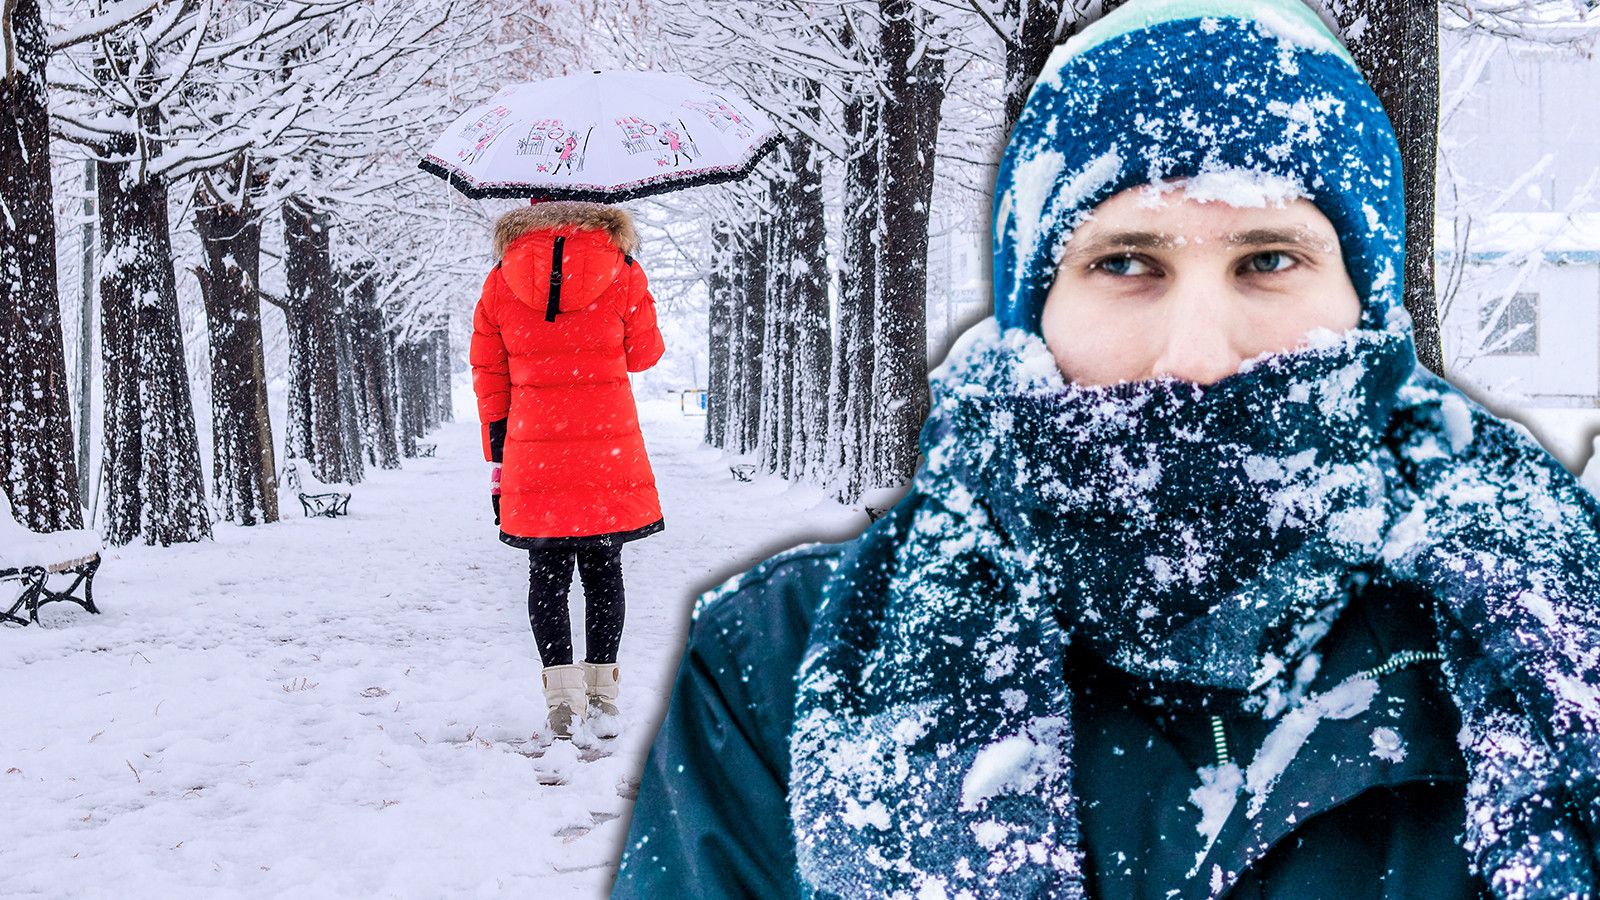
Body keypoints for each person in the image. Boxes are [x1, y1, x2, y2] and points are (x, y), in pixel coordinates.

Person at [612, 1, 1600, 898]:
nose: (1196, 354)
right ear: (1033, 308)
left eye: (1269, 260)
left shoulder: (1546, 631)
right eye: (1125, 261)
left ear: (1366, 303)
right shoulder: (777, 665)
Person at [470, 199, 664, 741]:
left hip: (535, 447)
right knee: (604, 572)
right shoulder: (622, 270)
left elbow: (490, 374)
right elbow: (645, 353)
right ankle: (602, 697)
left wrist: (498, 457)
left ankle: (561, 702)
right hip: (607, 447)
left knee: (547, 573)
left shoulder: (502, 278)